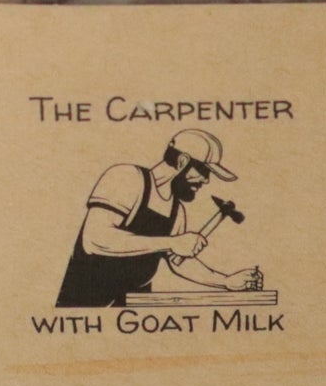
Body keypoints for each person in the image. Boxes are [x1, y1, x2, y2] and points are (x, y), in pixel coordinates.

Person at [54, 128, 261, 307]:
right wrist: (171, 242)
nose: (205, 181)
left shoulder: (176, 210)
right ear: (182, 161)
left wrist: (225, 281)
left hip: (132, 304)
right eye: (204, 171)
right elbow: (96, 239)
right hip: (84, 301)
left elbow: (179, 260)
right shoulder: (126, 178)